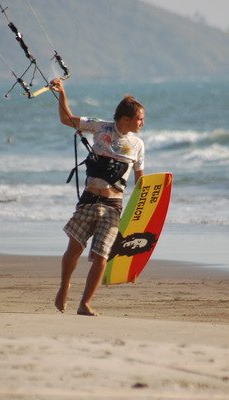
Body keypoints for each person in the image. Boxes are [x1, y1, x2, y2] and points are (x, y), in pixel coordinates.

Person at [50, 78, 145, 316]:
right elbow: (66, 119)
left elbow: (141, 180)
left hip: (114, 205)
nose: (143, 122)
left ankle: (85, 303)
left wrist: (143, 211)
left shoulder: (137, 145)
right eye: (140, 118)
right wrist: (62, 91)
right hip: (90, 200)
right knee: (74, 249)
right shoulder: (100, 127)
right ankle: (64, 288)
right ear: (126, 119)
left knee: (101, 256)